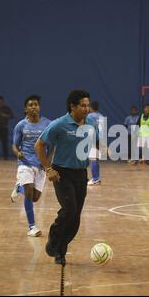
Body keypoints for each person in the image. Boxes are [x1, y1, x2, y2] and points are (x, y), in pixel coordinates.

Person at [35, 90, 96, 266]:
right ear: (73, 106)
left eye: (87, 105)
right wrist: (48, 169)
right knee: (69, 210)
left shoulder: (90, 123)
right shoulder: (59, 124)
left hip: (81, 174)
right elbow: (39, 146)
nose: (86, 109)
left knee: (75, 215)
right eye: (83, 105)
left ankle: (60, 244)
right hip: (62, 173)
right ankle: (57, 248)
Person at [10, 95, 52, 237]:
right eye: (30, 105)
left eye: (36, 104)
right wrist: (18, 153)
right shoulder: (21, 125)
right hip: (25, 163)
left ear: (39, 107)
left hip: (40, 165)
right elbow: (14, 145)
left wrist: (48, 161)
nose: (34, 107)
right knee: (29, 191)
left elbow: (52, 145)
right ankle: (32, 227)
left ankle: (19, 187)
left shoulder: (47, 124)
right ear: (25, 109)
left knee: (35, 197)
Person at [86, 101, 105, 186]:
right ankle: (97, 178)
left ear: (91, 108)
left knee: (93, 159)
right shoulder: (101, 116)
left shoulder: (90, 116)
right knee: (96, 159)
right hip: (101, 140)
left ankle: (95, 179)